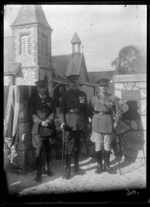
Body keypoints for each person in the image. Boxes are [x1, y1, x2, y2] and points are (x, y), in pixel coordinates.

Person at [59, 75, 89, 179]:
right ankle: (68, 168)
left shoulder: (83, 94)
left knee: (79, 146)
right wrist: (62, 122)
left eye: (75, 83)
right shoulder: (65, 95)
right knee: (69, 147)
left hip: (80, 123)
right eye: (72, 83)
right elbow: (61, 111)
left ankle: (76, 167)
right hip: (69, 124)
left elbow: (86, 109)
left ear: (78, 83)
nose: (74, 84)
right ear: (69, 84)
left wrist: (87, 122)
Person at [89, 79, 122, 174]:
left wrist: (116, 122)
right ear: (99, 87)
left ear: (107, 87)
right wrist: (91, 121)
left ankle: (107, 166)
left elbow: (119, 111)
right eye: (101, 86)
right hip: (97, 123)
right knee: (98, 145)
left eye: (105, 86)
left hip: (108, 123)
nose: (103, 88)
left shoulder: (112, 98)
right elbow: (89, 110)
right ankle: (99, 166)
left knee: (107, 145)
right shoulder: (94, 98)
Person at [30, 80, 56, 182]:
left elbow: (53, 112)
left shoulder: (50, 99)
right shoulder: (33, 100)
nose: (43, 89)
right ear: (37, 88)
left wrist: (48, 120)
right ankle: (39, 173)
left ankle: (48, 169)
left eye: (44, 87)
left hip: (49, 128)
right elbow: (32, 114)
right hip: (38, 129)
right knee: (39, 151)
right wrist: (41, 122)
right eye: (41, 87)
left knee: (48, 150)